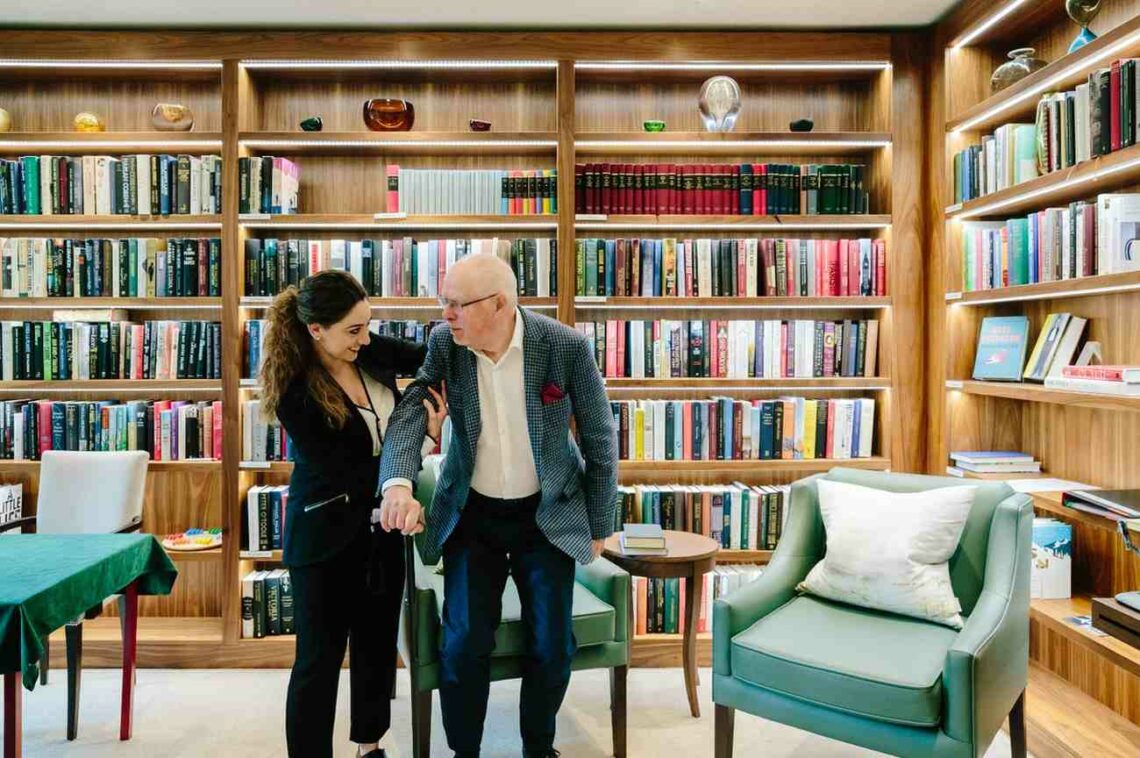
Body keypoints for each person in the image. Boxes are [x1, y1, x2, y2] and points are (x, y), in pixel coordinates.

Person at [377, 254, 618, 758]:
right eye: (444, 302)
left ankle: (539, 747)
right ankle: (464, 751)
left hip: (547, 514)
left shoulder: (564, 346)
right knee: (463, 644)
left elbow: (599, 438)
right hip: (474, 514)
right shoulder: (447, 344)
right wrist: (398, 482)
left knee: (552, 644)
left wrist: (600, 523)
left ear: (500, 305)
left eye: (456, 304)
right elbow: (408, 414)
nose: (445, 315)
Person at [260, 270, 447, 758]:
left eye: (368, 326)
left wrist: (460, 322)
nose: (365, 339)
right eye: (353, 330)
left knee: (376, 648)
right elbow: (348, 470)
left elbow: (433, 354)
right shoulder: (293, 391)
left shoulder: (367, 347)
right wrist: (422, 441)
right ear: (315, 330)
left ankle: (371, 747)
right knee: (317, 663)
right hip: (324, 536)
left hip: (381, 534)